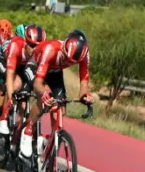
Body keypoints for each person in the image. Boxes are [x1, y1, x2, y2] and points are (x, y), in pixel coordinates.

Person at [20, 28, 94, 158]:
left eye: (72, 62)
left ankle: (49, 147)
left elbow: (84, 82)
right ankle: (28, 131)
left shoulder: (84, 54)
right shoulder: (51, 49)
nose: (68, 63)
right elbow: (38, 83)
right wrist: (43, 94)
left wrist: (84, 96)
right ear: (63, 48)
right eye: (66, 58)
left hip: (55, 71)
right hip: (36, 67)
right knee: (46, 98)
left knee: (60, 110)